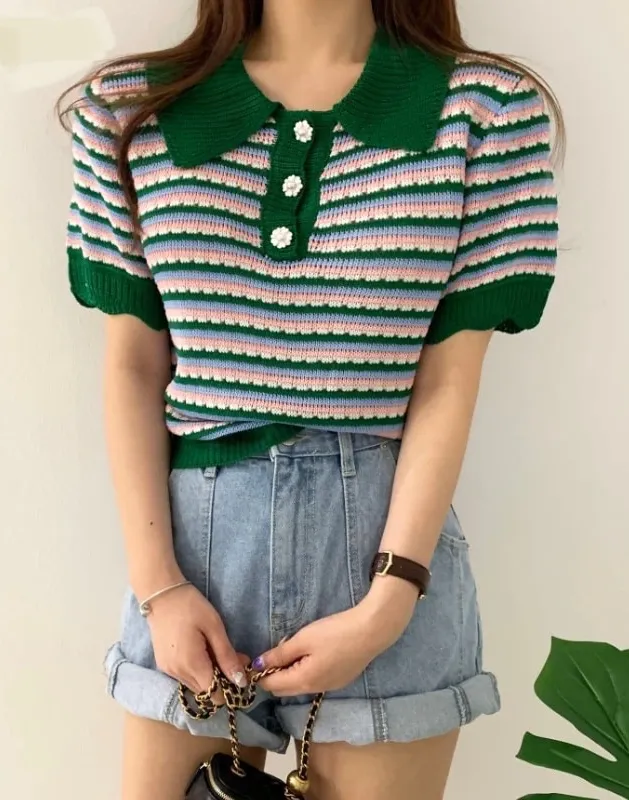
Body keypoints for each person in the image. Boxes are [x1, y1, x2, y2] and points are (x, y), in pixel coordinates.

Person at [59, 0, 561, 797]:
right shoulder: (126, 111)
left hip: (384, 554)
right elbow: (131, 367)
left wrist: (388, 603)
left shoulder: (486, 111)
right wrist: (161, 588)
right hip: (188, 563)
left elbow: (448, 379)